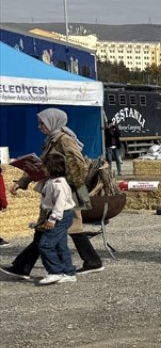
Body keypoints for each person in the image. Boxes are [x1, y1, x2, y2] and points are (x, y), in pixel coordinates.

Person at [2, 108, 104, 281]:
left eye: (42, 123)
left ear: (52, 122)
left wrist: (62, 181)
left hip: (67, 190)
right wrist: (22, 182)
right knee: (68, 227)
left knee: (55, 227)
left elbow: (78, 164)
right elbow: (43, 165)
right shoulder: (52, 139)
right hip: (65, 189)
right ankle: (92, 261)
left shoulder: (64, 140)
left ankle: (23, 267)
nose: (39, 126)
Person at [31, 153, 78, 286]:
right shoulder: (51, 181)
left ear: (52, 168)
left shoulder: (58, 184)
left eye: (45, 167)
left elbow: (59, 204)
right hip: (59, 215)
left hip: (59, 216)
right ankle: (69, 273)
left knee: (45, 245)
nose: (43, 170)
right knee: (60, 245)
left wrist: (52, 219)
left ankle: (55, 272)